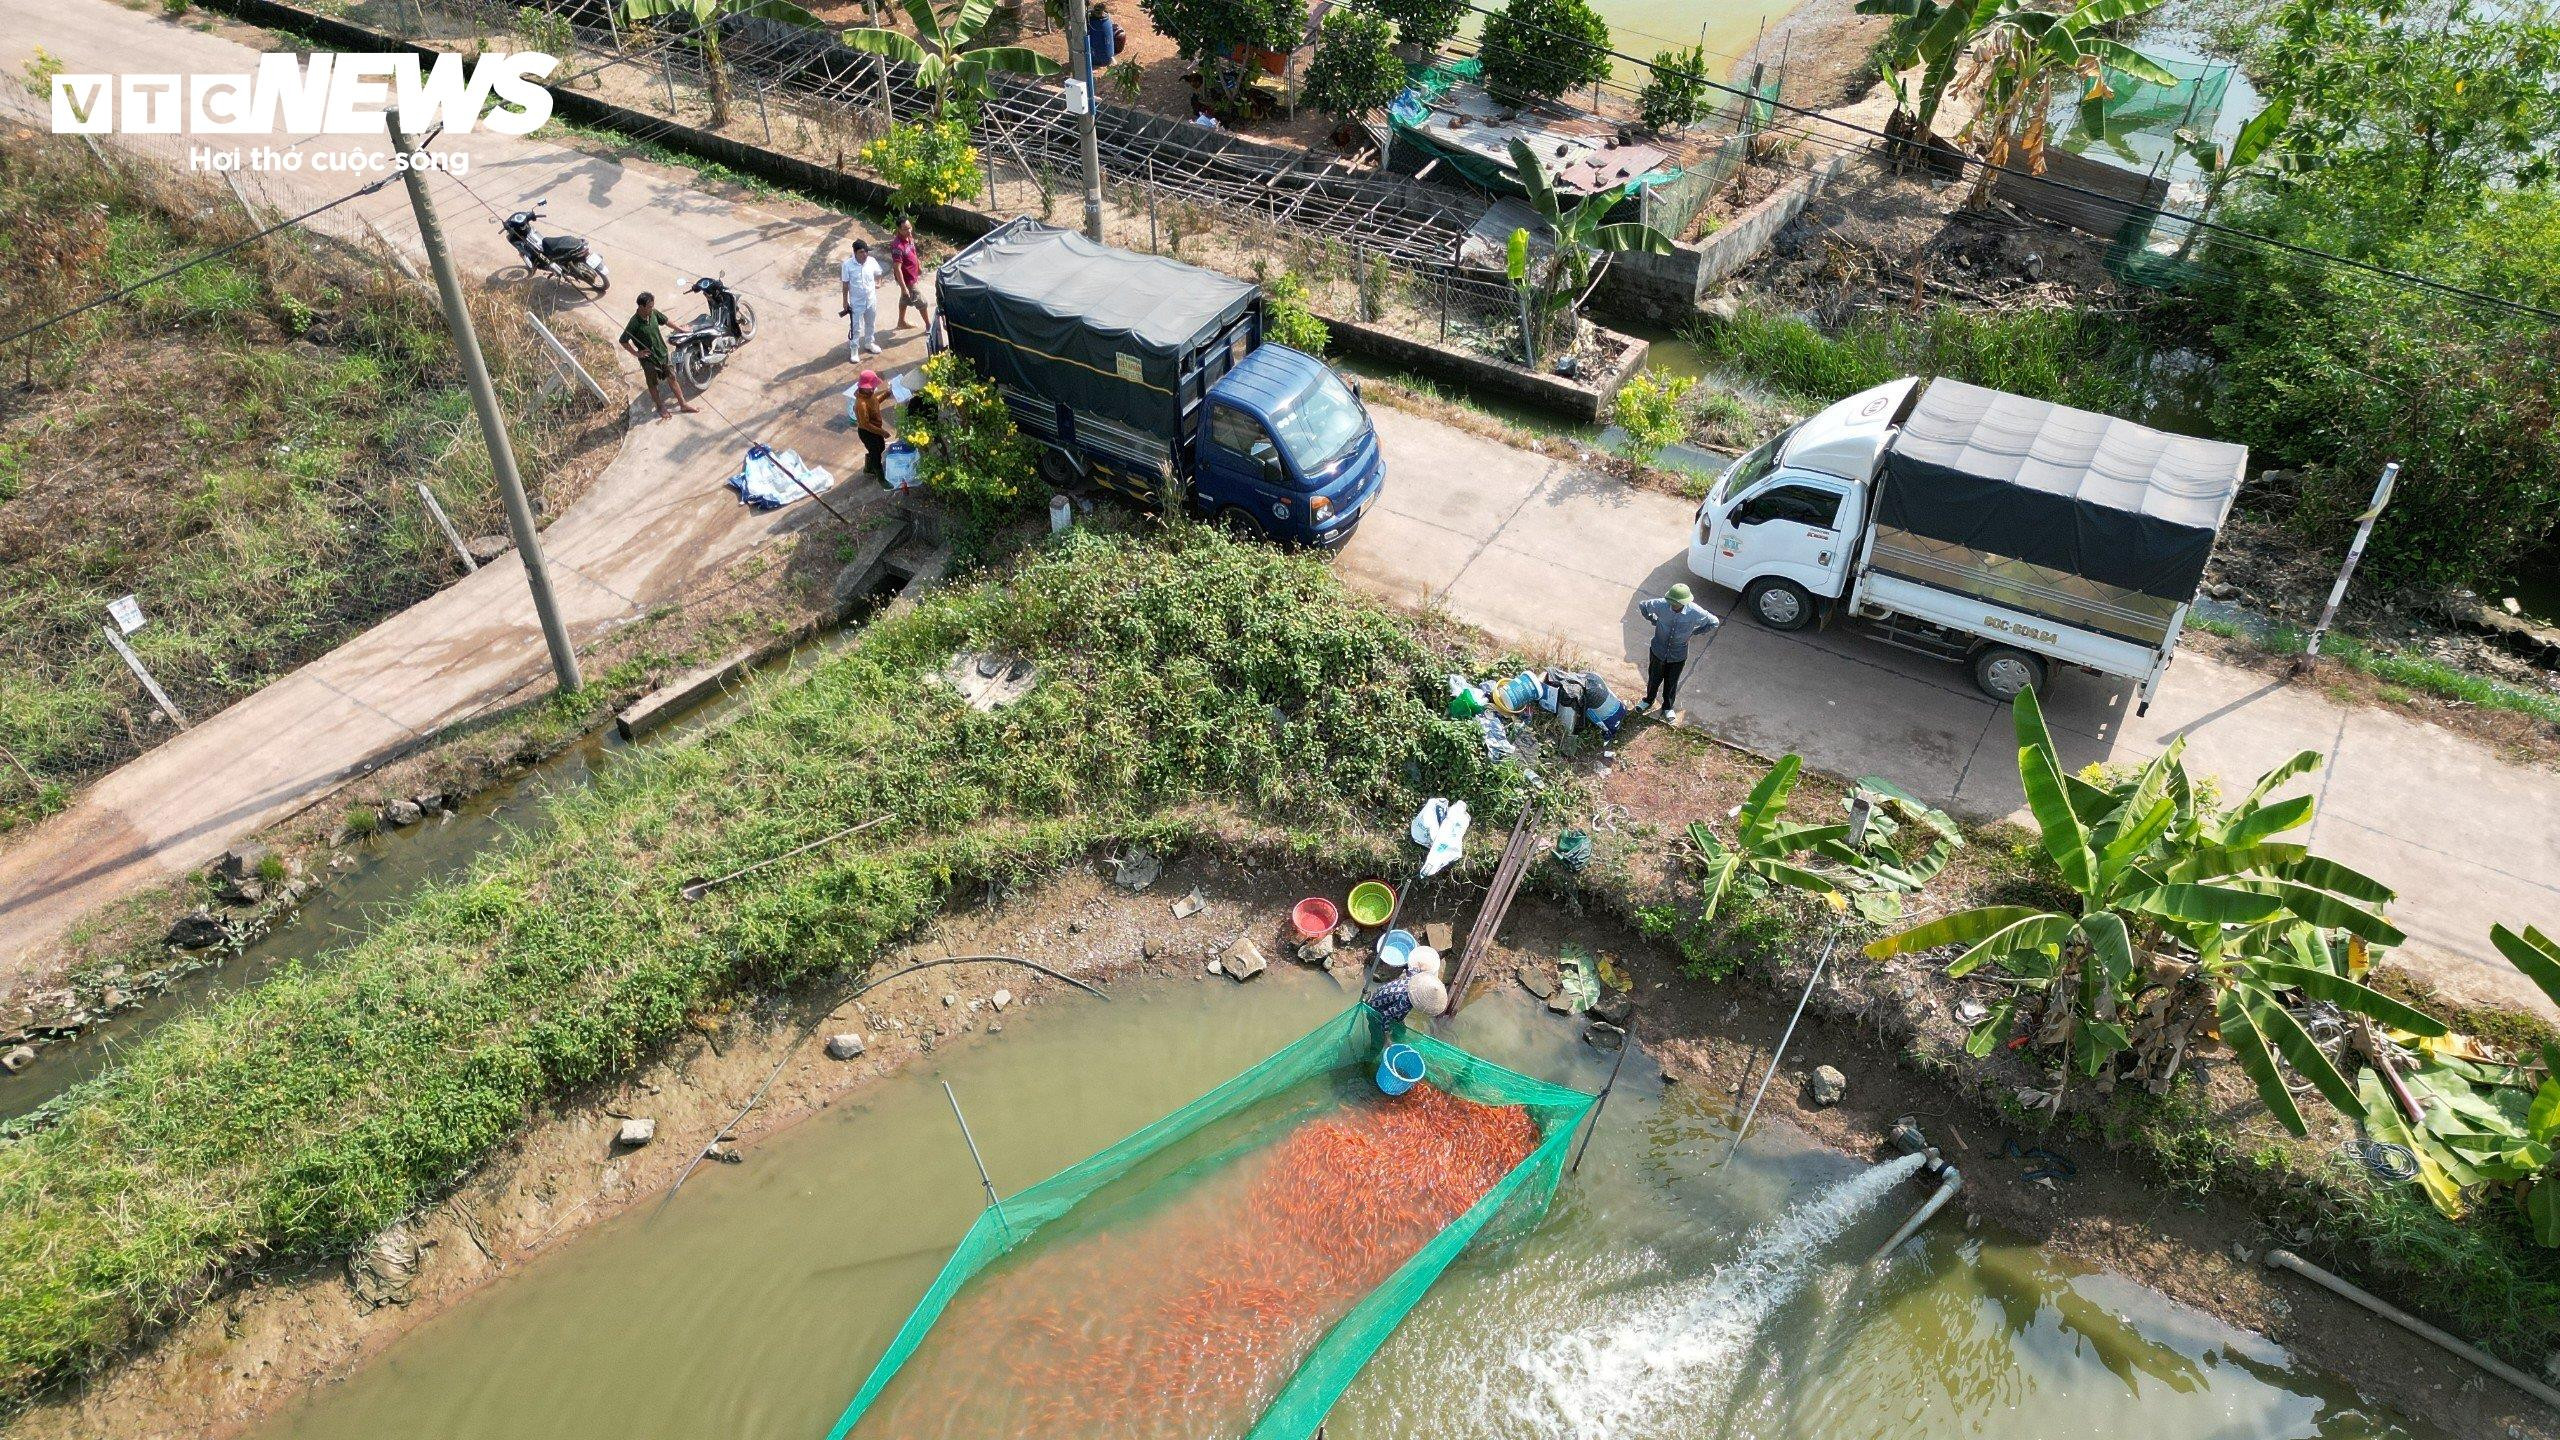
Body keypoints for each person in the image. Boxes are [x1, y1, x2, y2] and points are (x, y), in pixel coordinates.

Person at [1635, 582, 1719, 724]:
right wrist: (1652, 620)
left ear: (1685, 602)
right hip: (1658, 650)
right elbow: (1643, 605)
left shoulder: (1695, 611)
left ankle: (1667, 707)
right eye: (1671, 602)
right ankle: (1648, 700)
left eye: (1676, 604)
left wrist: (1694, 632)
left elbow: (1714, 622)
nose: (1673, 606)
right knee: (1654, 678)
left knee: (1671, 682)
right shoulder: (1661, 604)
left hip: (1678, 654)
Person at [618, 292, 696, 419]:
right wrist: (636, 353)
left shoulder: (653, 313)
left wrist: (680, 329)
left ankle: (683, 404)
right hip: (649, 360)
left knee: (672, 377)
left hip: (663, 353)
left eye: (652, 306)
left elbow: (665, 320)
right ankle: (660, 406)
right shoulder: (634, 323)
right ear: (641, 307)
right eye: (649, 306)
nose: (652, 308)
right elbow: (623, 341)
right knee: (653, 384)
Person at [841, 238, 884, 360]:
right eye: (861, 252)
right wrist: (845, 301)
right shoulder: (847, 265)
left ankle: (869, 343)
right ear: (855, 253)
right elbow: (845, 284)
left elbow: (879, 272)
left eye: (866, 251)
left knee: (870, 323)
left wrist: (879, 283)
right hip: (856, 303)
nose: (865, 254)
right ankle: (854, 349)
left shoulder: (871, 261)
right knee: (856, 327)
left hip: (871, 300)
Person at [887, 219, 927, 334]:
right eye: (905, 229)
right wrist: (904, 287)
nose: (909, 230)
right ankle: (929, 325)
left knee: (904, 299)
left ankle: (901, 322)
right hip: (908, 280)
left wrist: (918, 266)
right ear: (899, 230)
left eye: (910, 227)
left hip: (913, 275)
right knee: (922, 303)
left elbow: (914, 252)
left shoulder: (909, 238)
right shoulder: (897, 246)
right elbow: (897, 268)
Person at [853, 369, 892, 476]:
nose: (873, 390)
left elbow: (875, 403)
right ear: (863, 388)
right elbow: (866, 424)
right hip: (867, 432)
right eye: (871, 388)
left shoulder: (870, 395)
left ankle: (869, 465)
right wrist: (882, 432)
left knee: (880, 447)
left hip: (875, 429)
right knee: (876, 453)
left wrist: (886, 394)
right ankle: (878, 474)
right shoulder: (861, 404)